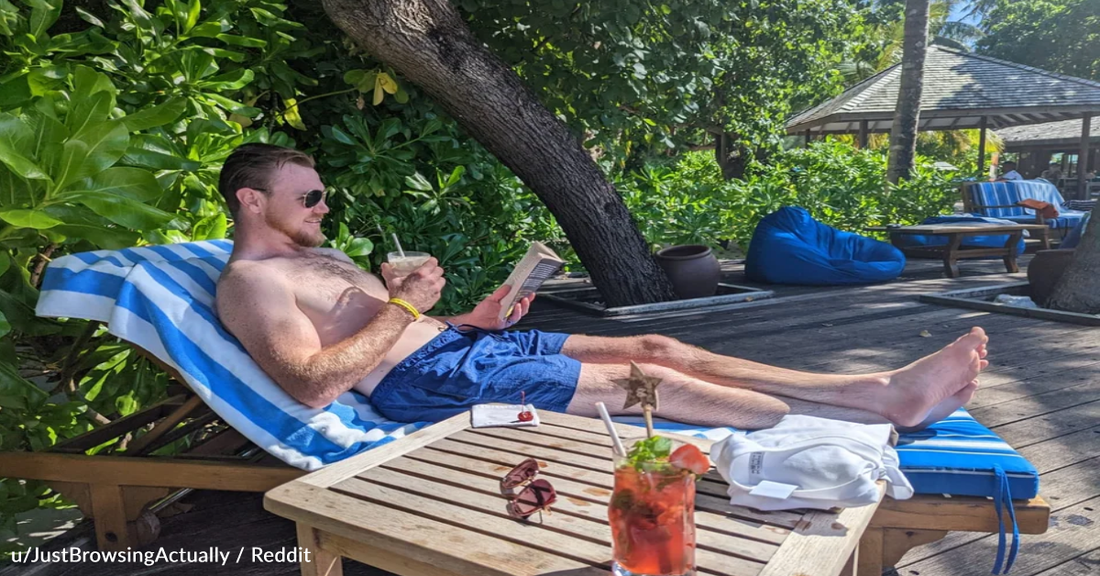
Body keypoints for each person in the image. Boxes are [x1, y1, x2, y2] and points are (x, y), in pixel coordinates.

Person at [214, 144, 989, 433]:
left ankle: (873, 387)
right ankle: (869, 413)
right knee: (645, 381)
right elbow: (313, 384)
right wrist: (409, 306)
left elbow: (393, 325)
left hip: (461, 346)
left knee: (657, 344)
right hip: (427, 383)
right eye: (309, 197)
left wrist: (470, 315)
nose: (324, 207)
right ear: (252, 200)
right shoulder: (251, 285)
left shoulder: (324, 258)